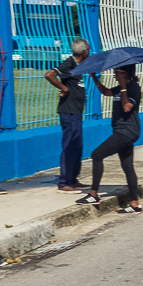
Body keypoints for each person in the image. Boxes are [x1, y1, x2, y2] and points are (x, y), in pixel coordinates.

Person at [77, 64, 142, 214]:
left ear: (125, 74)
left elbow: (127, 107)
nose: (115, 75)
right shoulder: (120, 88)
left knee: (97, 154)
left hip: (127, 131)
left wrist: (124, 86)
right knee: (128, 167)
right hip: (123, 131)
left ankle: (93, 194)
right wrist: (94, 78)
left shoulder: (133, 88)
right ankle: (135, 204)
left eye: (117, 72)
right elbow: (106, 92)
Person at [45, 39, 94, 193]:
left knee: (77, 145)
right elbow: (49, 75)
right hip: (69, 111)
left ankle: (73, 178)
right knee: (69, 145)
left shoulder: (78, 67)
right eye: (88, 50)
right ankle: (64, 182)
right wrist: (63, 88)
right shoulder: (70, 63)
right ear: (84, 51)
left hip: (77, 111)